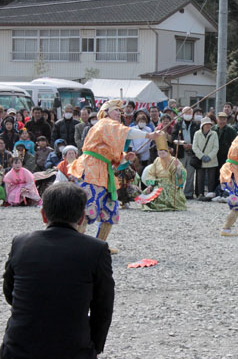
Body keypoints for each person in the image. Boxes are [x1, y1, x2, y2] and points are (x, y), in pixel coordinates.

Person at [1, 183, 114, 359]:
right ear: (81, 217)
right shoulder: (96, 249)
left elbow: (10, 293)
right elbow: (103, 306)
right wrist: (94, 347)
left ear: (44, 215)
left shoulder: (21, 243)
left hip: (17, 350)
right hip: (72, 350)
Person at [69, 99, 161, 253]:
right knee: (86, 208)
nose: (120, 113)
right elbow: (127, 131)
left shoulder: (111, 128)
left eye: (120, 111)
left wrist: (125, 157)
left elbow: (112, 157)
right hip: (92, 169)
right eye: (116, 110)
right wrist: (149, 135)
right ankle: (76, 246)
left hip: (104, 171)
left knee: (109, 209)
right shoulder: (105, 123)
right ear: (106, 112)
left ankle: (99, 246)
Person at [142, 134, 187, 211]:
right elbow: (151, 173)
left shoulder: (173, 160)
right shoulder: (157, 160)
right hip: (157, 182)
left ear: (168, 152)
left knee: (163, 193)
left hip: (170, 183)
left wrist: (178, 168)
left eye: (163, 153)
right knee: (146, 192)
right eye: (159, 153)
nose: (161, 155)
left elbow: (179, 178)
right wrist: (150, 184)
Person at [172, 107, 200, 199]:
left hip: (192, 152)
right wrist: (182, 144)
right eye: (186, 112)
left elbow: (199, 138)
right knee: (179, 172)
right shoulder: (178, 124)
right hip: (181, 152)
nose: (188, 114)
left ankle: (188, 193)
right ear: (182, 114)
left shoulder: (196, 125)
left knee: (190, 173)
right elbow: (173, 138)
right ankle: (178, 192)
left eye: (190, 112)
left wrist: (192, 145)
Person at [193, 117, 219, 200]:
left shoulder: (214, 134)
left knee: (211, 178)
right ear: (202, 125)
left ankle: (210, 194)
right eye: (206, 124)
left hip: (212, 159)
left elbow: (216, 147)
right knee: (200, 178)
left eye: (209, 124)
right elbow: (195, 146)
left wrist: (210, 156)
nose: (208, 126)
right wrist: (201, 156)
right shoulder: (197, 133)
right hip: (201, 160)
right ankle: (200, 194)